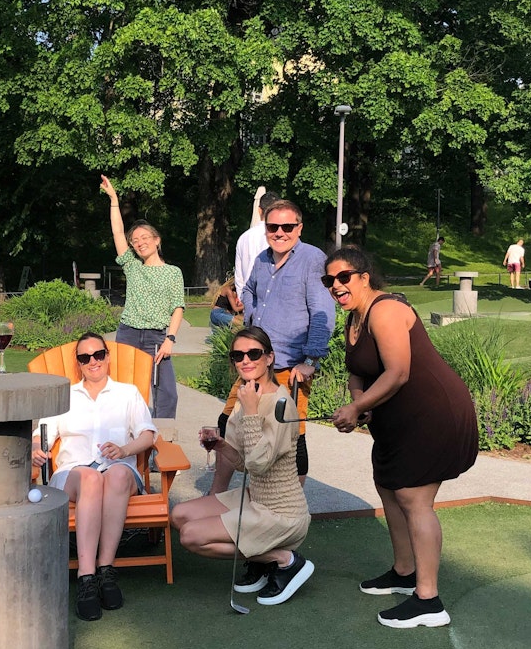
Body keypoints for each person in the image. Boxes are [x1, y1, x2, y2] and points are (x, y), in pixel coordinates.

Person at [323, 246, 477, 628]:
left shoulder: (386, 309)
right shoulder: (354, 318)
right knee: (388, 486)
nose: (336, 285)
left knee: (413, 497)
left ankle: (429, 601)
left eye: (343, 277)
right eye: (329, 280)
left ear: (364, 277)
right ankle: (405, 572)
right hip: (397, 419)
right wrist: (359, 402)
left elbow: (398, 372)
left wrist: (357, 409)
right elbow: (357, 371)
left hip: (433, 413)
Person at [171, 327, 313, 606]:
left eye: (253, 353)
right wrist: (220, 445)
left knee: (191, 536)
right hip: (255, 498)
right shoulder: (246, 394)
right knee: (179, 515)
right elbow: (243, 464)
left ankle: (284, 559)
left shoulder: (281, 403)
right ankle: (261, 560)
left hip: (282, 512)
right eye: (238, 355)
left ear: (269, 358)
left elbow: (259, 465)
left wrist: (250, 412)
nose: (245, 360)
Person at [31, 332, 158, 622]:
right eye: (85, 357)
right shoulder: (64, 396)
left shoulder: (128, 394)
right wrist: (37, 449)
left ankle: (106, 570)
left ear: (108, 357)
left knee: (116, 475)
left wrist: (124, 450)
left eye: (98, 354)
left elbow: (147, 435)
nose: (93, 361)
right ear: (78, 363)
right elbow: (41, 436)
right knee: (90, 478)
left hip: (118, 467)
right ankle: (87, 577)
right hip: (73, 473)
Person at [216, 198, 335, 489]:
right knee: (227, 422)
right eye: (273, 227)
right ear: (266, 228)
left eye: (287, 226)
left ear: (299, 228)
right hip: (255, 361)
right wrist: (251, 321)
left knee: (292, 436)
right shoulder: (261, 259)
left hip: (290, 368)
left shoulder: (312, 259)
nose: (280, 232)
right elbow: (248, 290)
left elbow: (322, 311)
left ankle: (291, 501)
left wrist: (311, 361)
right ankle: (216, 493)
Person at [99, 176, 185, 418]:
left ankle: (162, 437)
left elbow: (178, 307)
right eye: (135, 241)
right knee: (125, 391)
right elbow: (117, 232)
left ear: (157, 240)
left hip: (157, 338)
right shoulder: (132, 266)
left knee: (166, 394)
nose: (139, 243)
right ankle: (125, 435)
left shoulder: (173, 272)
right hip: (128, 333)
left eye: (145, 238)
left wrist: (170, 339)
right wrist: (114, 199)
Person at [235, 189, 279, 293]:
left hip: (248, 296)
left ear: (259, 210)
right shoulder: (280, 237)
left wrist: (242, 298)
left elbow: (239, 277)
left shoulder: (244, 238)